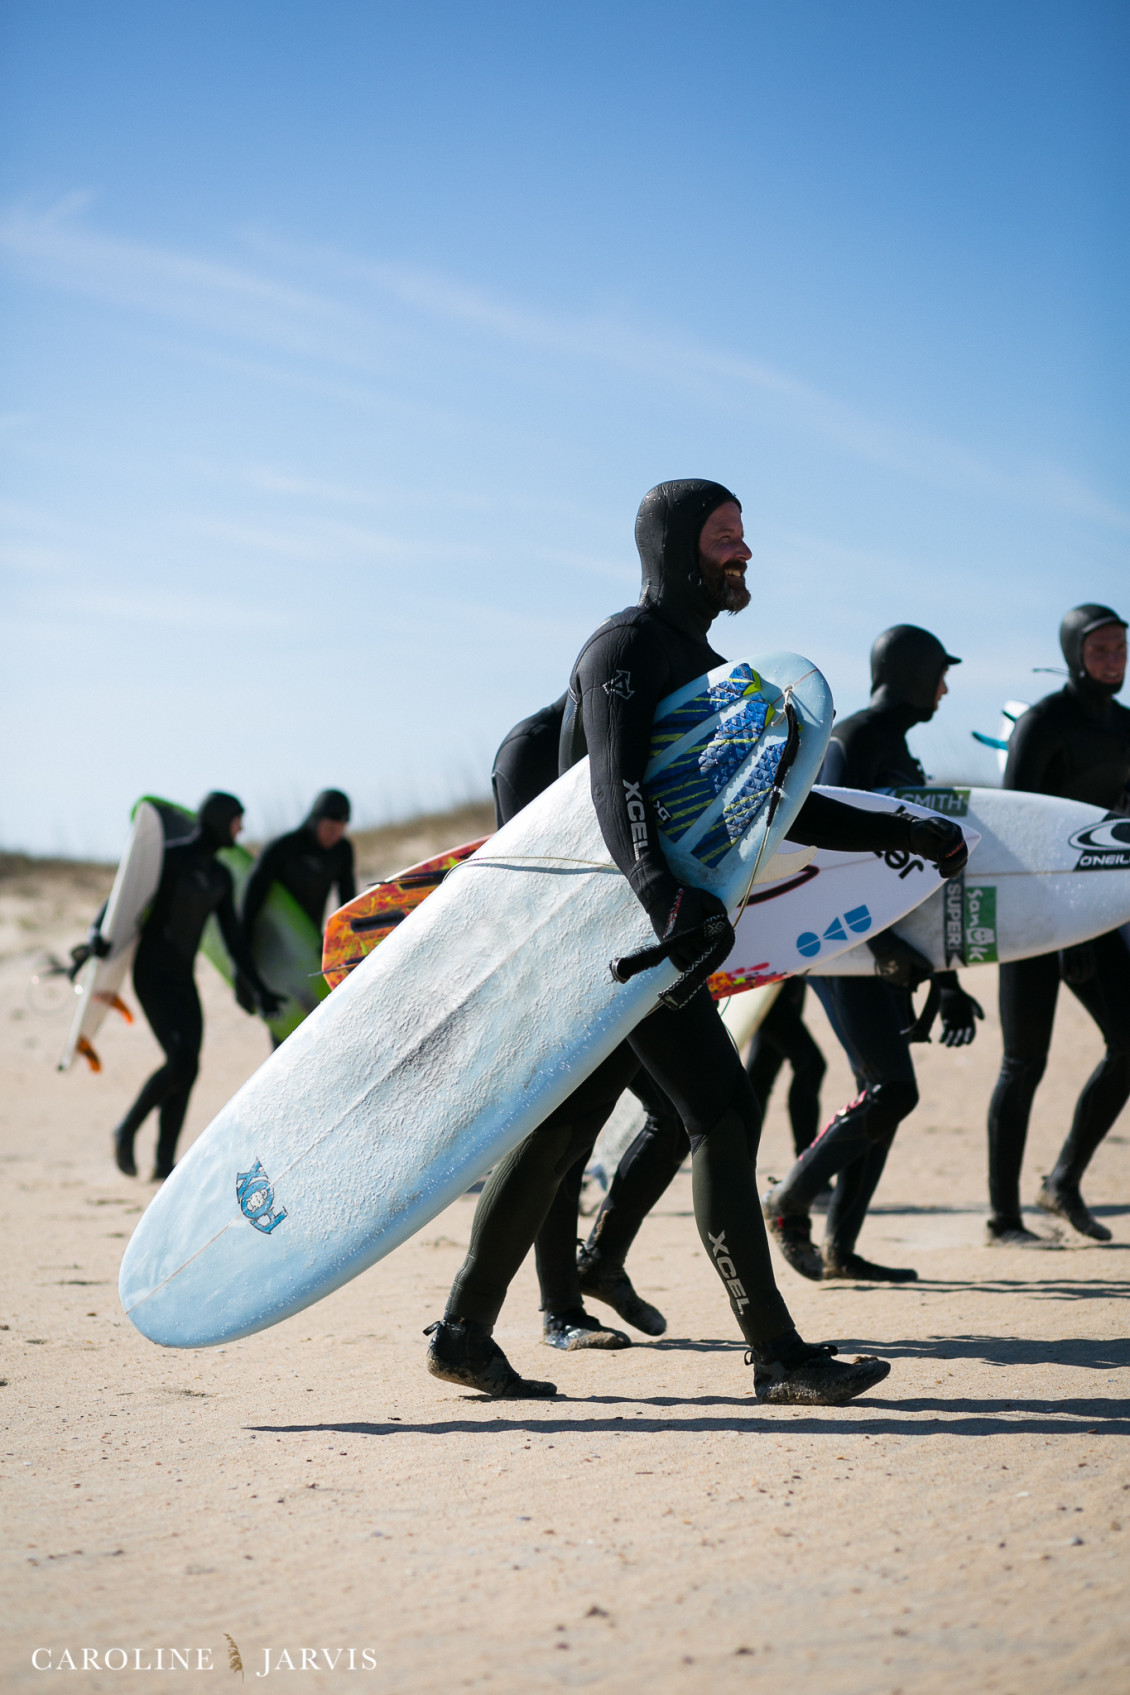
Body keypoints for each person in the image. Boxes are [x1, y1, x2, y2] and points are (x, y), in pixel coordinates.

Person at [424, 480, 967, 1403]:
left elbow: (771, 805)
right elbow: (616, 786)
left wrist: (905, 832)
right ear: (676, 549)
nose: (742, 552)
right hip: (626, 933)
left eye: (744, 537)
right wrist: (663, 895)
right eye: (723, 537)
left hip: (651, 930)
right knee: (720, 1108)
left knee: (566, 1126)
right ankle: (778, 1357)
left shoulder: (706, 668)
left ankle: (466, 1333)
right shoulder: (625, 649)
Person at [762, 625, 984, 1282]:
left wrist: (943, 976)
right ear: (911, 671)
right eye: (938, 672)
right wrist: (882, 946)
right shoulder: (850, 741)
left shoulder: (902, 754)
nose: (945, 686)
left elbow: (919, 874)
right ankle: (789, 1199)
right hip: (842, 941)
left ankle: (842, 1247)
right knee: (890, 1090)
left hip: (889, 946)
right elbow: (824, 851)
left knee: (878, 1091)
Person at [986, 604, 1130, 1244]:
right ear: (1075, 652)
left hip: (1092, 912)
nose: (1113, 661)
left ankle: (1063, 1181)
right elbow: (1013, 828)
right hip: (1030, 912)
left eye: (1121, 649)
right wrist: (1052, 925)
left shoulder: (1125, 726)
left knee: (1128, 1043)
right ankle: (1003, 1217)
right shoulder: (1045, 722)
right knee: (1024, 1062)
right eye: (1100, 650)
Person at [110, 793, 281, 1181]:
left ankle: (163, 1162)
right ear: (220, 820)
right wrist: (95, 938)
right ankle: (126, 1128)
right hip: (152, 972)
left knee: (188, 1068)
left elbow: (234, 940)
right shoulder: (168, 856)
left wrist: (260, 988)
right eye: (238, 820)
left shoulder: (219, 876)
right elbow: (121, 898)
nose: (242, 828)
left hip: (184, 977)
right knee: (181, 1060)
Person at [746, 979, 826, 1158]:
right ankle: (807, 1163)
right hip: (762, 978)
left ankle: (735, 1161)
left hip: (790, 976)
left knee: (761, 1075)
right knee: (810, 1063)